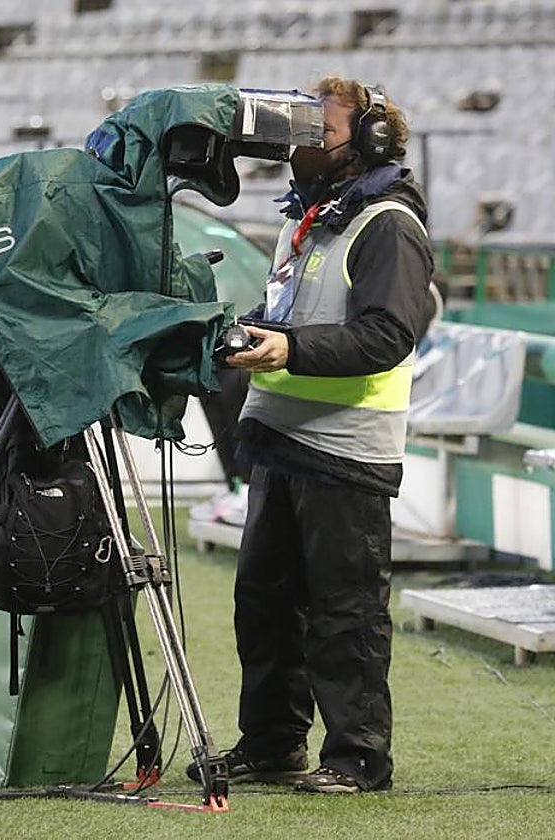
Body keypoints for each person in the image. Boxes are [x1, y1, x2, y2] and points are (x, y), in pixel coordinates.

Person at [189, 77, 436, 794]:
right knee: (263, 605)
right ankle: (272, 743)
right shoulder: (317, 221)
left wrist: (288, 350)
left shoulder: (387, 224)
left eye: (317, 134)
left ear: (368, 144)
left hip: (347, 449)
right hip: (281, 439)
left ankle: (358, 758)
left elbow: (386, 336)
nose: (299, 146)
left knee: (343, 614)